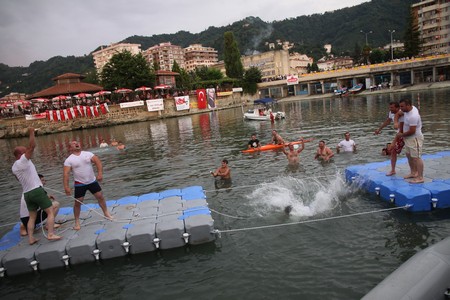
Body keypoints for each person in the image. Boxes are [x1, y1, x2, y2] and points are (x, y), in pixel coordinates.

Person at [12, 127, 61, 244]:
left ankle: (31, 238)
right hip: (36, 190)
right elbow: (32, 146)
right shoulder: (23, 161)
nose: (28, 153)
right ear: (20, 154)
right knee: (50, 211)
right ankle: (50, 233)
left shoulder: (14, 167)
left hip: (27, 193)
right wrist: (31, 133)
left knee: (32, 217)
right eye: (25, 152)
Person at [63, 140, 113, 230]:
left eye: (77, 142)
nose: (77, 144)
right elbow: (66, 174)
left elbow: (98, 162)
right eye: (74, 144)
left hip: (92, 181)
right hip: (79, 183)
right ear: (70, 148)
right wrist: (66, 187)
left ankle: (106, 213)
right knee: (78, 202)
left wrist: (100, 173)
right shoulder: (69, 160)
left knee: (100, 196)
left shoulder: (88, 154)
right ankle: (77, 222)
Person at [397, 99, 424, 183]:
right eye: (400, 106)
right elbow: (399, 114)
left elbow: (412, 131)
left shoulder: (413, 116)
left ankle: (420, 177)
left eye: (402, 106)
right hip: (408, 138)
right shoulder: (408, 110)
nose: (400, 109)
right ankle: (413, 172)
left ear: (408, 105)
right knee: (409, 155)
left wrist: (401, 135)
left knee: (416, 158)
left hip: (414, 138)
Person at [374, 101, 405, 176]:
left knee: (409, 153)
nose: (390, 109)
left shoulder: (402, 113)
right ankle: (393, 170)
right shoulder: (391, 113)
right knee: (393, 150)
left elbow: (401, 129)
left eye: (392, 107)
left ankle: (415, 171)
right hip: (400, 134)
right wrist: (379, 129)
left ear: (397, 108)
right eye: (390, 107)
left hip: (406, 133)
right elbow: (387, 121)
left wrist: (394, 141)